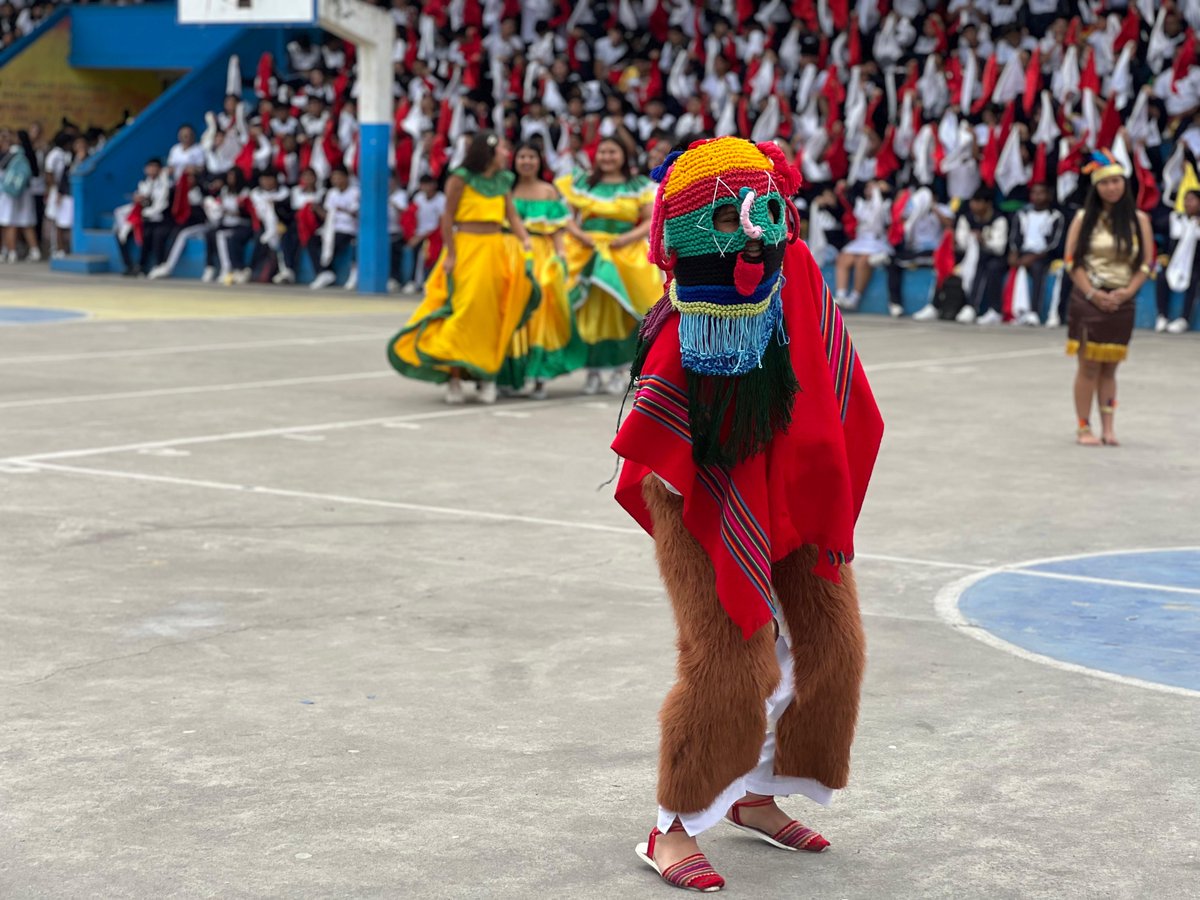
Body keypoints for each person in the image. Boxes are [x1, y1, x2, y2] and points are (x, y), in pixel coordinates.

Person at [610, 137, 883, 893]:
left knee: (833, 644)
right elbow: (661, 429)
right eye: (727, 213)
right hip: (699, 491)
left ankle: (754, 795)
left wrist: (821, 482)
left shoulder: (794, 270)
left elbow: (833, 380)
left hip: (791, 487)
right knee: (731, 659)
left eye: (761, 207)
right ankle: (672, 824)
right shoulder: (691, 306)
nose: (752, 229)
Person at [388, 132, 537, 405]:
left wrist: (525, 241)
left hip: (495, 249)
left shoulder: (503, 181)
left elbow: (511, 216)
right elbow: (448, 217)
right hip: (467, 248)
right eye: (504, 149)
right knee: (464, 311)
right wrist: (451, 254)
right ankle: (454, 377)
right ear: (489, 152)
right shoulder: (460, 177)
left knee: (491, 314)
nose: (508, 154)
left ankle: (486, 377)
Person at [1062, 151, 1156, 447]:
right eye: (1105, 183)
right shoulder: (1083, 219)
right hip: (1089, 298)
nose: (1111, 188)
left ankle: (1109, 427)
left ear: (1124, 184)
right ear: (1096, 188)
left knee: (1110, 367)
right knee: (1088, 365)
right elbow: (1071, 261)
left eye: (1116, 182)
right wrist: (1092, 293)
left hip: (1122, 300)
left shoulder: (1138, 220)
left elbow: (1146, 264)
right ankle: (1082, 426)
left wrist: (1129, 291)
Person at [557, 137, 662, 395]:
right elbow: (565, 215)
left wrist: (626, 238)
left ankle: (621, 370)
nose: (607, 157)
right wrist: (581, 235)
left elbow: (650, 218)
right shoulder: (581, 184)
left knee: (627, 311)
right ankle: (592, 371)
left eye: (613, 151)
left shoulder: (638, 185)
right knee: (589, 311)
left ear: (625, 155)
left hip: (626, 253)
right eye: (602, 151)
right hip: (588, 252)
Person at [499, 141, 585, 399]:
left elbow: (558, 230)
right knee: (510, 312)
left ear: (540, 162)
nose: (526, 161)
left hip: (540, 256)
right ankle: (509, 376)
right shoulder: (506, 189)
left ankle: (538, 377)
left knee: (539, 314)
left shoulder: (548, 192)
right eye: (522, 156)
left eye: (531, 157)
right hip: (509, 254)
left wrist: (561, 257)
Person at [1009, 181, 1066, 326]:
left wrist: (1033, 257)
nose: (1037, 196)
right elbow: (1015, 236)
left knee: (1037, 268)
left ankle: (1034, 312)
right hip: (1024, 253)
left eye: (1041, 193)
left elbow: (1055, 243)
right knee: (996, 265)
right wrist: (1015, 254)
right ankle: (1008, 312)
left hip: (1044, 255)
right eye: (1034, 193)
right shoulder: (1022, 214)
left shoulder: (1055, 216)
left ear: (1048, 196)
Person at [834, 181, 892, 311]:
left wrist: (878, 192)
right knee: (843, 258)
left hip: (877, 241)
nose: (870, 189)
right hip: (860, 241)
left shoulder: (885, 204)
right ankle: (841, 295)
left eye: (874, 186)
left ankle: (855, 298)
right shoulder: (860, 204)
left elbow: (876, 218)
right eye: (868, 186)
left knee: (863, 261)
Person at [955, 187, 1009, 324]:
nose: (974, 205)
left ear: (988, 204)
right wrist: (971, 239)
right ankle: (946, 305)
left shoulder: (999, 219)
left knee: (991, 267)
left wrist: (984, 241)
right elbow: (961, 243)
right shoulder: (966, 218)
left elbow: (1000, 247)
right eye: (973, 202)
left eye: (978, 202)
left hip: (995, 257)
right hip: (971, 256)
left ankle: (991, 309)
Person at [115, 157, 172, 277]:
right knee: (120, 233)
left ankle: (142, 266)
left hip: (159, 219)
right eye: (149, 167)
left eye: (154, 167)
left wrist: (145, 213)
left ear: (160, 169)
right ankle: (129, 265)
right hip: (144, 218)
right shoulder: (143, 184)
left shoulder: (164, 184)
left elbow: (161, 204)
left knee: (149, 233)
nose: (151, 170)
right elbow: (139, 203)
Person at [1157, 189, 1200, 335]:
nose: (1188, 203)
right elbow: (1156, 226)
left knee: (1194, 280)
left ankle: (1184, 319)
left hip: (1195, 265)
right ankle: (1162, 316)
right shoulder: (1175, 219)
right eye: (1186, 199)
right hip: (1175, 263)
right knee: (1162, 276)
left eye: (1192, 200)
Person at [309, 166, 359, 290]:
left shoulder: (355, 192)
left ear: (346, 178)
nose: (336, 180)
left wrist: (342, 210)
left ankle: (327, 270)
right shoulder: (331, 193)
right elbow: (327, 215)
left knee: (334, 241)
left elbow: (356, 213)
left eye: (339, 177)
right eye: (334, 178)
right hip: (331, 227)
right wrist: (317, 209)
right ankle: (324, 272)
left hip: (349, 228)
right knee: (312, 241)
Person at [0, 129, 40, 262]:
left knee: (9, 222)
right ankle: (31, 250)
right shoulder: (21, 154)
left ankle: (11, 252)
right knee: (25, 222)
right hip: (21, 193)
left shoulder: (13, 155)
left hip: (10, 193)